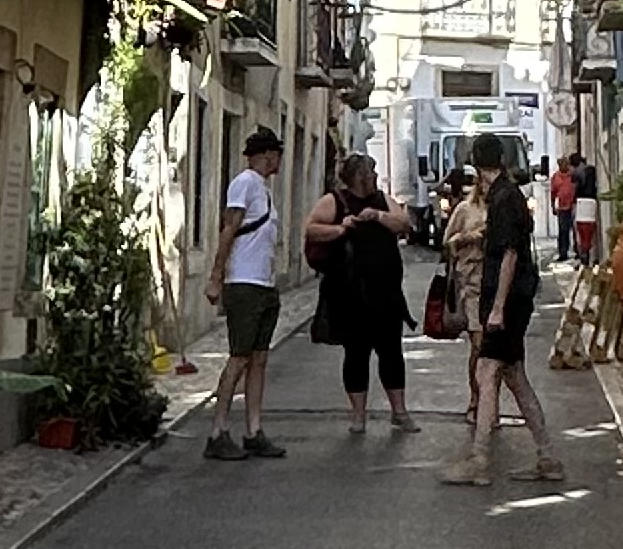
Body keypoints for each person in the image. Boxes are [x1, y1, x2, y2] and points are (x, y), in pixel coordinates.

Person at [441, 133, 563, 487]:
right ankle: (547, 457)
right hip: (512, 298)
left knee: (487, 370)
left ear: (476, 164)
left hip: (506, 300)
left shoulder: (504, 199)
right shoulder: (507, 195)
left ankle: (479, 461)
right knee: (513, 376)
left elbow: (509, 254)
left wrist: (496, 308)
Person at [305, 151, 419, 436]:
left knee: (391, 353)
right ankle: (358, 416)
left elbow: (404, 224)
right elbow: (311, 230)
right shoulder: (334, 201)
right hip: (349, 294)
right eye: (371, 172)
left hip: (386, 294)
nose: (375, 176)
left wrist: (378, 216)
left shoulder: (382, 200)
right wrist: (341, 229)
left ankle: (399, 411)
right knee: (356, 354)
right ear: (359, 176)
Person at [204, 127, 287, 460]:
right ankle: (218, 431)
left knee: (259, 359)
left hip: (263, 284)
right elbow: (229, 229)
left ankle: (254, 430)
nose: (279, 160)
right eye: (277, 154)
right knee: (239, 358)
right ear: (268, 155)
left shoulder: (262, 189)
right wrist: (216, 277)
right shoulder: (244, 184)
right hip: (245, 283)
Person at [443, 166, 490, 423]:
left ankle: (489, 401)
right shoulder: (465, 209)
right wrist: (468, 237)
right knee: (478, 345)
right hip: (471, 283)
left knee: (495, 353)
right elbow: (447, 243)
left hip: (496, 284)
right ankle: (476, 400)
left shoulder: (502, 207)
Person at [571, 156, 602, 266]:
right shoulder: (590, 171)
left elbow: (575, 185)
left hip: (582, 204)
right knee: (588, 232)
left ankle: (584, 255)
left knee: (582, 232)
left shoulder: (578, 173)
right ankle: (587, 254)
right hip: (590, 203)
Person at [549, 154, 578, 265]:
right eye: (562, 164)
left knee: (575, 229)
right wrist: (553, 206)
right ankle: (563, 252)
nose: (565, 166)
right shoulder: (555, 177)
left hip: (573, 205)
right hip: (562, 207)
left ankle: (577, 251)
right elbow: (553, 193)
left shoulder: (572, 175)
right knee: (563, 230)